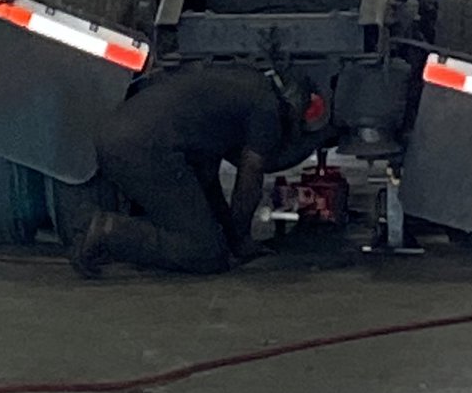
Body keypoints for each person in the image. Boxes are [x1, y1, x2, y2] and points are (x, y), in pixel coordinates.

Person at [70, 63, 327, 277]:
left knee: (204, 234)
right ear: (294, 110)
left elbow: (206, 181)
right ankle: (111, 231)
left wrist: (226, 230)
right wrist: (239, 239)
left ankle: (118, 234)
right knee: (205, 254)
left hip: (119, 135)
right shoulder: (268, 111)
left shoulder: (243, 83)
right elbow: (249, 182)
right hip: (146, 150)